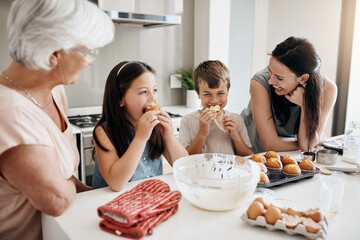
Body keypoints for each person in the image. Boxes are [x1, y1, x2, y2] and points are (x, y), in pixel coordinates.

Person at [0, 0, 114, 239]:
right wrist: (73, 188)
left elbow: (59, 175)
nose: (91, 60)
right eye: (88, 52)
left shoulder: (54, 91)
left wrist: (87, 192)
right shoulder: (8, 111)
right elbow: (57, 200)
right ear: (53, 54)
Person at [92, 61, 188, 191]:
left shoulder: (155, 127)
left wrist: (169, 136)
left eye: (154, 90)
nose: (152, 98)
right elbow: (116, 183)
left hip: (148, 198)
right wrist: (140, 138)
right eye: (143, 92)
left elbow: (186, 167)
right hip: (112, 202)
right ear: (121, 98)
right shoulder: (103, 132)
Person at [241, 36, 338, 153]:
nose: (270, 81)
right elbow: (270, 144)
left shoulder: (328, 89)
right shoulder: (259, 83)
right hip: (255, 153)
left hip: (292, 156)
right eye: (270, 71)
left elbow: (307, 145)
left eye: (279, 78)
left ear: (303, 78)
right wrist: (312, 141)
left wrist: (306, 105)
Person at [179, 60, 253, 156]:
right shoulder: (187, 121)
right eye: (207, 94)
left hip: (229, 170)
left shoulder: (236, 120)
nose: (214, 100)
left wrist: (236, 136)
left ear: (228, 92)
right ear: (198, 94)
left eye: (220, 93)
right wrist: (202, 133)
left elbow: (248, 155)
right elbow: (185, 158)